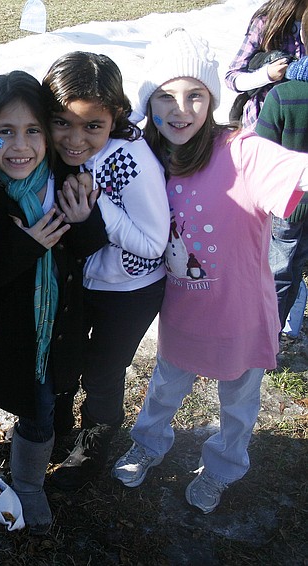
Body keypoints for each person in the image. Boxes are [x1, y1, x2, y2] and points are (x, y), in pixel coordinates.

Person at [112, 28, 308, 514]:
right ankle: (149, 444)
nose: (181, 109)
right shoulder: (148, 159)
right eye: (165, 96)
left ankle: (222, 467)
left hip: (240, 316)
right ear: (149, 102)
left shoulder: (243, 153)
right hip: (180, 315)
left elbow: (295, 171)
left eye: (195, 95)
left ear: (213, 98)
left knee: (238, 407)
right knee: (163, 388)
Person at [0, 71, 107, 532]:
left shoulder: (66, 180)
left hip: (52, 332)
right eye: (4, 132)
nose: (20, 145)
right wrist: (27, 248)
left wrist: (83, 221)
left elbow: (85, 247)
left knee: (40, 409)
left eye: (32, 130)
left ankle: (27, 484)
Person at [42, 52, 170, 490]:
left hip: (131, 288)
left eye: (91, 126)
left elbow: (154, 244)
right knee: (68, 353)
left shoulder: (130, 161)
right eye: (62, 122)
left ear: (113, 117)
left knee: (103, 371)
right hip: (85, 279)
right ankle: (57, 425)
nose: (75, 139)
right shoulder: (52, 150)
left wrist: (101, 212)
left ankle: (93, 450)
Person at [255, 10, 308, 338]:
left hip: (286, 204)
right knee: (296, 266)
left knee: (277, 272)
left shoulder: (282, 96)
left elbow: (259, 157)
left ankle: (264, 335)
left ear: (302, 38)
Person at [225, 0, 307, 129]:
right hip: (263, 122)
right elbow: (232, 78)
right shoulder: (265, 23)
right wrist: (266, 75)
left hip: (300, 124)